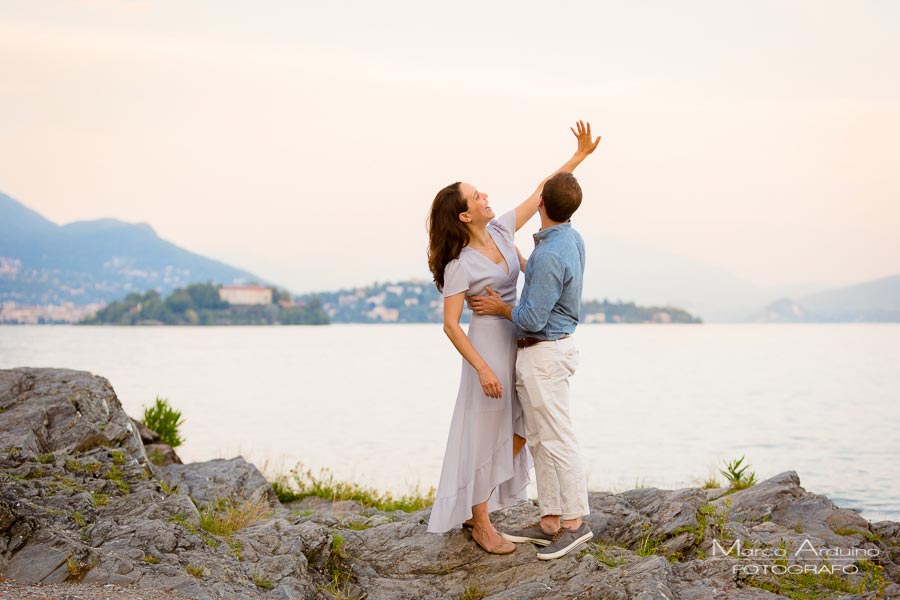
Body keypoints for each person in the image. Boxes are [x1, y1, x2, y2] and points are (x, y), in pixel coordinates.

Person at [426, 122, 601, 556]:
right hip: (486, 346)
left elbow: (543, 193)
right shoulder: (458, 264)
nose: (487, 196)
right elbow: (451, 325)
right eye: (477, 196)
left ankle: (483, 504)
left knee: (524, 426)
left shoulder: (503, 231)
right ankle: (480, 521)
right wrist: (482, 368)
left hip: (520, 337)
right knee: (486, 432)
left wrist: (578, 158)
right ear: (465, 215)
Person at [468, 167, 595, 560]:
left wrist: (500, 306)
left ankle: (574, 524)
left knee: (557, 438)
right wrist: (526, 265)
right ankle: (550, 521)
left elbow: (531, 319)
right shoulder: (570, 239)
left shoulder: (549, 254)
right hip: (550, 351)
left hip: (543, 353)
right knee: (540, 438)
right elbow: (553, 285)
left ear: (540, 203)